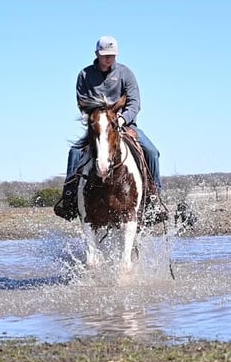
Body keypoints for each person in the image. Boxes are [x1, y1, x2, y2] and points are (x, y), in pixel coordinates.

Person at [54, 35, 165, 224]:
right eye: (105, 55)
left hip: (125, 124)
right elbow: (83, 103)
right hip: (98, 127)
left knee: (152, 152)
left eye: (112, 55)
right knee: (74, 152)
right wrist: (100, 117)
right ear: (97, 54)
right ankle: (70, 197)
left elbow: (135, 103)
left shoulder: (126, 73)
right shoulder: (84, 75)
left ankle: (155, 198)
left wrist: (121, 119)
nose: (109, 58)